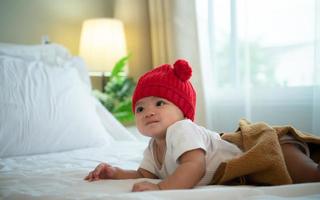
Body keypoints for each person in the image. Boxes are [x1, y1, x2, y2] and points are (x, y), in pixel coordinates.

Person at [84, 59, 320, 192]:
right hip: (255, 163)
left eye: (159, 103)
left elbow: (194, 166)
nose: (149, 112)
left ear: (183, 112)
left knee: (312, 176)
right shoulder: (153, 146)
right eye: (140, 108)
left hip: (272, 147)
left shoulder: (181, 129)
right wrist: (115, 173)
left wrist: (161, 189)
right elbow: (144, 174)